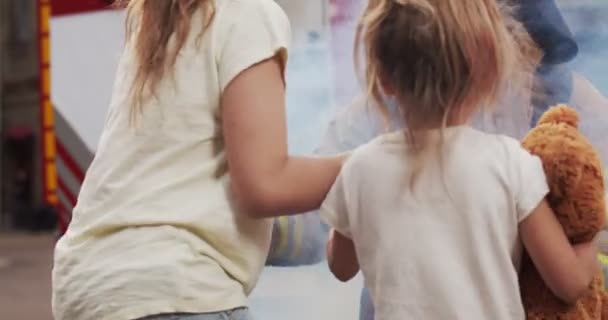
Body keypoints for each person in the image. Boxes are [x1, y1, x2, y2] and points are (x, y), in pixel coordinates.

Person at [51, 1, 345, 319]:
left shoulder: (160, 15)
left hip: (90, 286)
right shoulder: (246, 12)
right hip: (176, 292)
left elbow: (183, 193)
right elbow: (266, 184)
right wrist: (367, 163)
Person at [321, 0, 600, 319]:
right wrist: (586, 241)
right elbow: (570, 282)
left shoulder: (360, 167)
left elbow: (340, 266)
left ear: (383, 78)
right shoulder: (513, 164)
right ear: (490, 73)